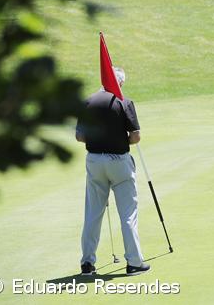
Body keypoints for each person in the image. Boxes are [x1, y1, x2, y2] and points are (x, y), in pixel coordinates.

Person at [75, 67, 151, 276]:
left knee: (92, 213)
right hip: (120, 162)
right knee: (128, 213)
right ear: (119, 83)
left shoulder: (88, 102)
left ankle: (87, 264)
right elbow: (135, 137)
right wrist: (119, 141)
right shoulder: (124, 102)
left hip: (94, 161)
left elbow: (80, 136)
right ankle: (134, 262)